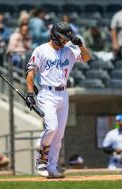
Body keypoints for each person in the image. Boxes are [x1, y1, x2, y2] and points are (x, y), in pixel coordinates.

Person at [25, 22, 91, 178]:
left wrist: (80, 45)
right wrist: (30, 93)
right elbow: (30, 72)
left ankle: (52, 168)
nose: (66, 41)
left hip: (63, 94)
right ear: (55, 36)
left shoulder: (69, 51)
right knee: (52, 127)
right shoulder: (41, 50)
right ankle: (41, 160)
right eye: (63, 38)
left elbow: (87, 58)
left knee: (59, 135)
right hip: (47, 93)